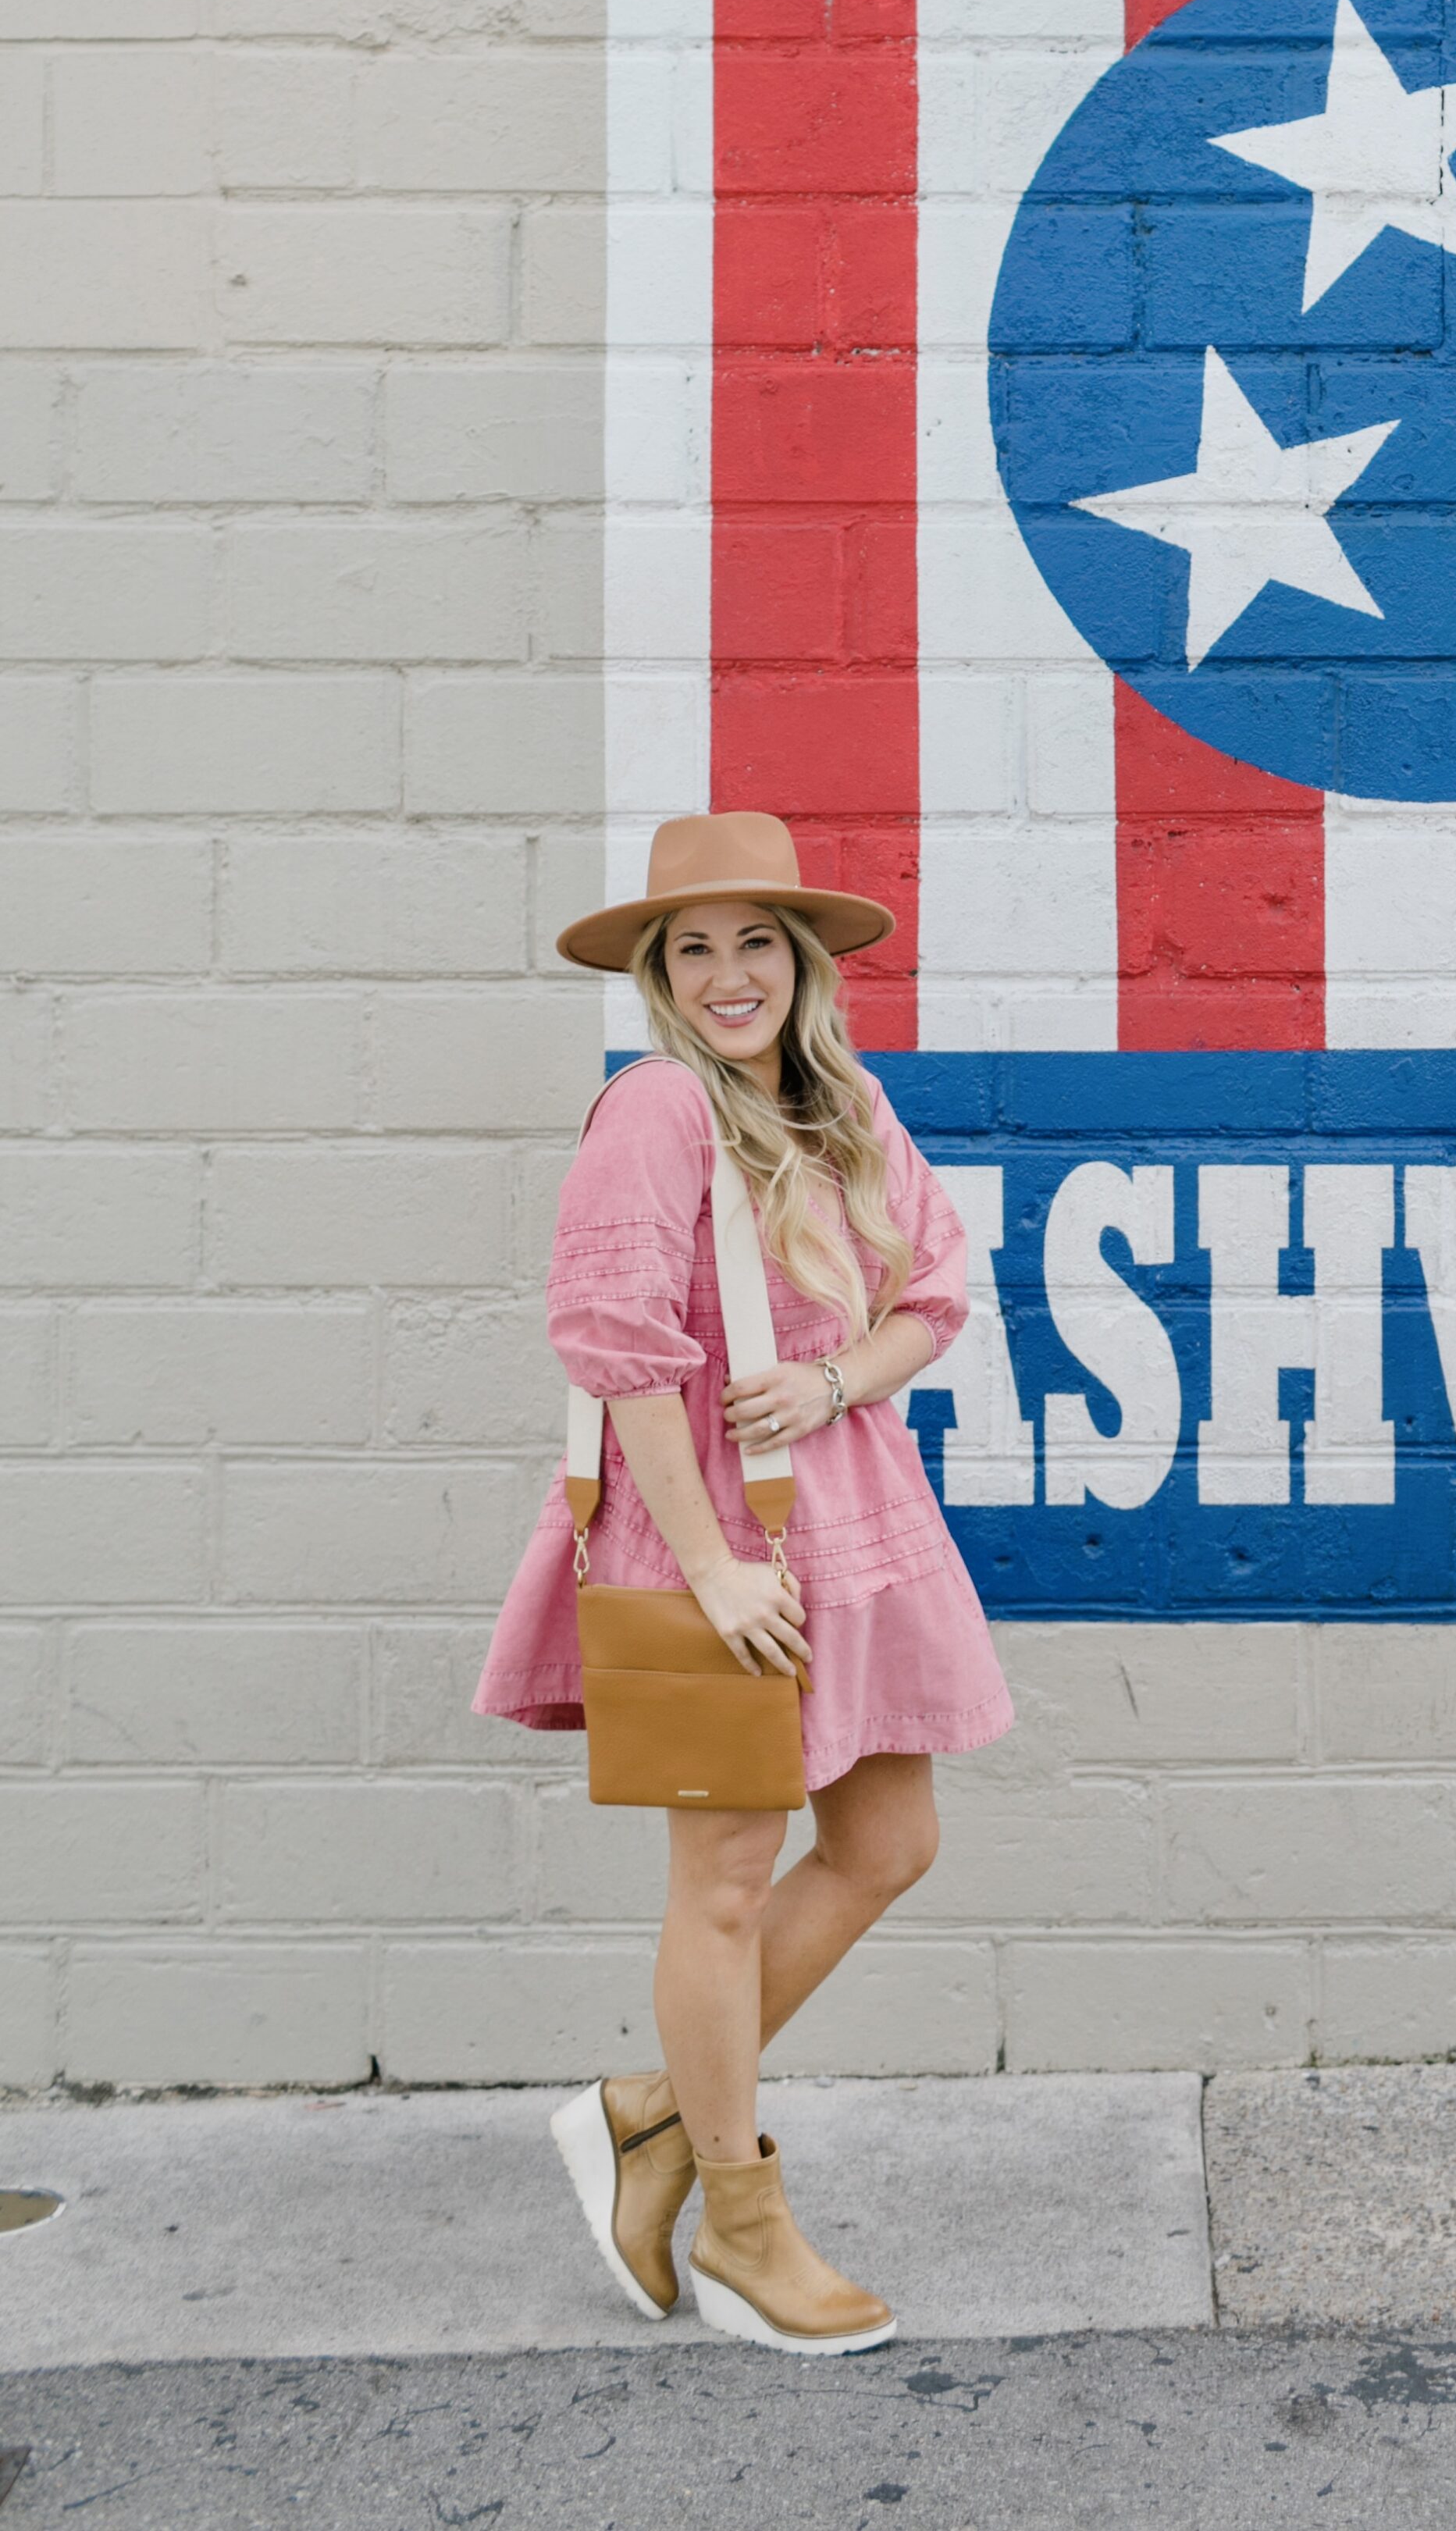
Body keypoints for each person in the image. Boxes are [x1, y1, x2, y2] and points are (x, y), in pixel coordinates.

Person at [477, 811, 1013, 2355]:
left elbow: (934, 1293)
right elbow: (612, 1345)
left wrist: (839, 1376)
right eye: (693, 946)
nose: (727, 974)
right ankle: (739, 2217)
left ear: (799, 962)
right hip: (706, 1539)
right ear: (661, 974)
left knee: (889, 1839)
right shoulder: (653, 1110)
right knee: (717, 1881)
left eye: (753, 941)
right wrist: (708, 1569)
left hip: (847, 1523)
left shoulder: (842, 1108)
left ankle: (652, 2109)